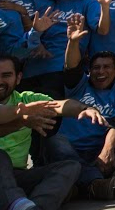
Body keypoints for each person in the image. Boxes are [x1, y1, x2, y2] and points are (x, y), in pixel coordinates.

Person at [47, 15, 115, 200]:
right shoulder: (78, 84)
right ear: (89, 70)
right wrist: (73, 42)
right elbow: (71, 66)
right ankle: (97, 184)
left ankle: (79, 185)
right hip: (72, 149)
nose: (100, 72)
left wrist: (107, 150)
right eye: (96, 67)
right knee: (55, 142)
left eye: (106, 67)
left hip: (99, 151)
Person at [0, 54, 88, 210]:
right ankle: (18, 202)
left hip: (17, 175)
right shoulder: (22, 108)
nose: (0, 81)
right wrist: (21, 118)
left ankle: (34, 207)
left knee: (70, 166)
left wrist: (85, 109)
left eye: (6, 75)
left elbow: (60, 106)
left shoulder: (26, 99)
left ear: (18, 78)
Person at [21, 0, 109, 99]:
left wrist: (105, 6)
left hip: (61, 69)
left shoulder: (88, 4)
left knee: (49, 114)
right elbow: (30, 26)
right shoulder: (50, 0)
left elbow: (102, 30)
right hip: (32, 68)